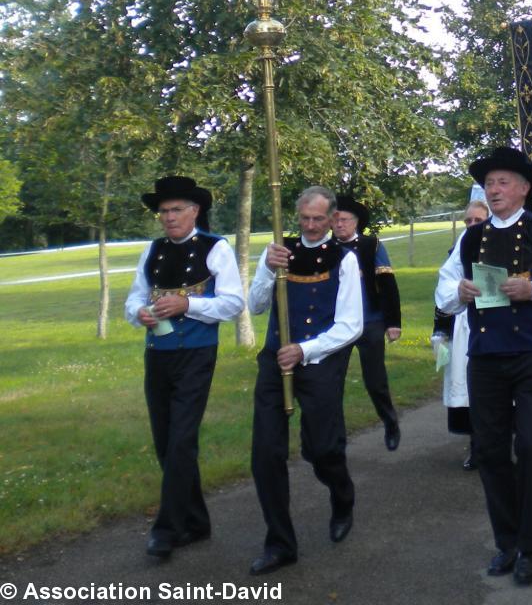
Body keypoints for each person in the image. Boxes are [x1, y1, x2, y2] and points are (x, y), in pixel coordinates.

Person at [435, 147, 532, 587]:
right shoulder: (469, 238)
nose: (494, 190)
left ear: (523, 189)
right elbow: (443, 291)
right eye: (490, 184)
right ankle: (508, 542)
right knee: (491, 450)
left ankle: (531, 547)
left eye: (503, 182)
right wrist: (459, 292)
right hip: (485, 357)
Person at [125, 176, 244, 560]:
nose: (169, 217)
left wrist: (188, 306)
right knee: (165, 441)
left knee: (181, 440)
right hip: (157, 353)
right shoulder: (154, 250)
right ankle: (195, 521)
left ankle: (167, 528)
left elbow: (233, 303)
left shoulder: (216, 248)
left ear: (195, 212)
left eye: (176, 209)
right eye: (163, 211)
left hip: (196, 353)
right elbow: (134, 298)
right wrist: (140, 313)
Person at [246, 186, 363, 575]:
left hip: (320, 362)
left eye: (318, 219)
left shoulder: (344, 260)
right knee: (266, 453)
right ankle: (280, 543)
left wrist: (305, 349)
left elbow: (351, 325)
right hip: (274, 360)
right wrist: (266, 266)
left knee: (322, 449)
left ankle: (342, 495)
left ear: (332, 219)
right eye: (304, 219)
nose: (311, 226)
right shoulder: (281, 252)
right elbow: (257, 305)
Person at [332, 195, 402, 452]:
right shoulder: (327, 249)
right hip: (337, 325)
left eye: (344, 220)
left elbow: (387, 285)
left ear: (356, 222)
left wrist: (393, 322)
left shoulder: (371, 245)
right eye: (335, 219)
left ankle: (390, 421)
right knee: (332, 381)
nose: (339, 224)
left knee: (375, 379)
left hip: (370, 320)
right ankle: (336, 437)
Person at [431, 199, 491, 471]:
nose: (472, 225)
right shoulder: (459, 249)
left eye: (478, 220)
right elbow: (445, 289)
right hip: (465, 324)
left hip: (497, 325)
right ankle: (476, 445)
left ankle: (499, 443)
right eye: (468, 221)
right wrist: (440, 331)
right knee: (468, 388)